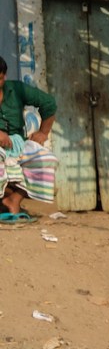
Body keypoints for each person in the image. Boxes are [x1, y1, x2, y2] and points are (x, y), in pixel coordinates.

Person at [0, 56, 58, 224]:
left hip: (17, 144)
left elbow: (49, 103)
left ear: (4, 76)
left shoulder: (16, 89)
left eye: (0, 78)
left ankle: (13, 200)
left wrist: (43, 133)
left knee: (46, 159)